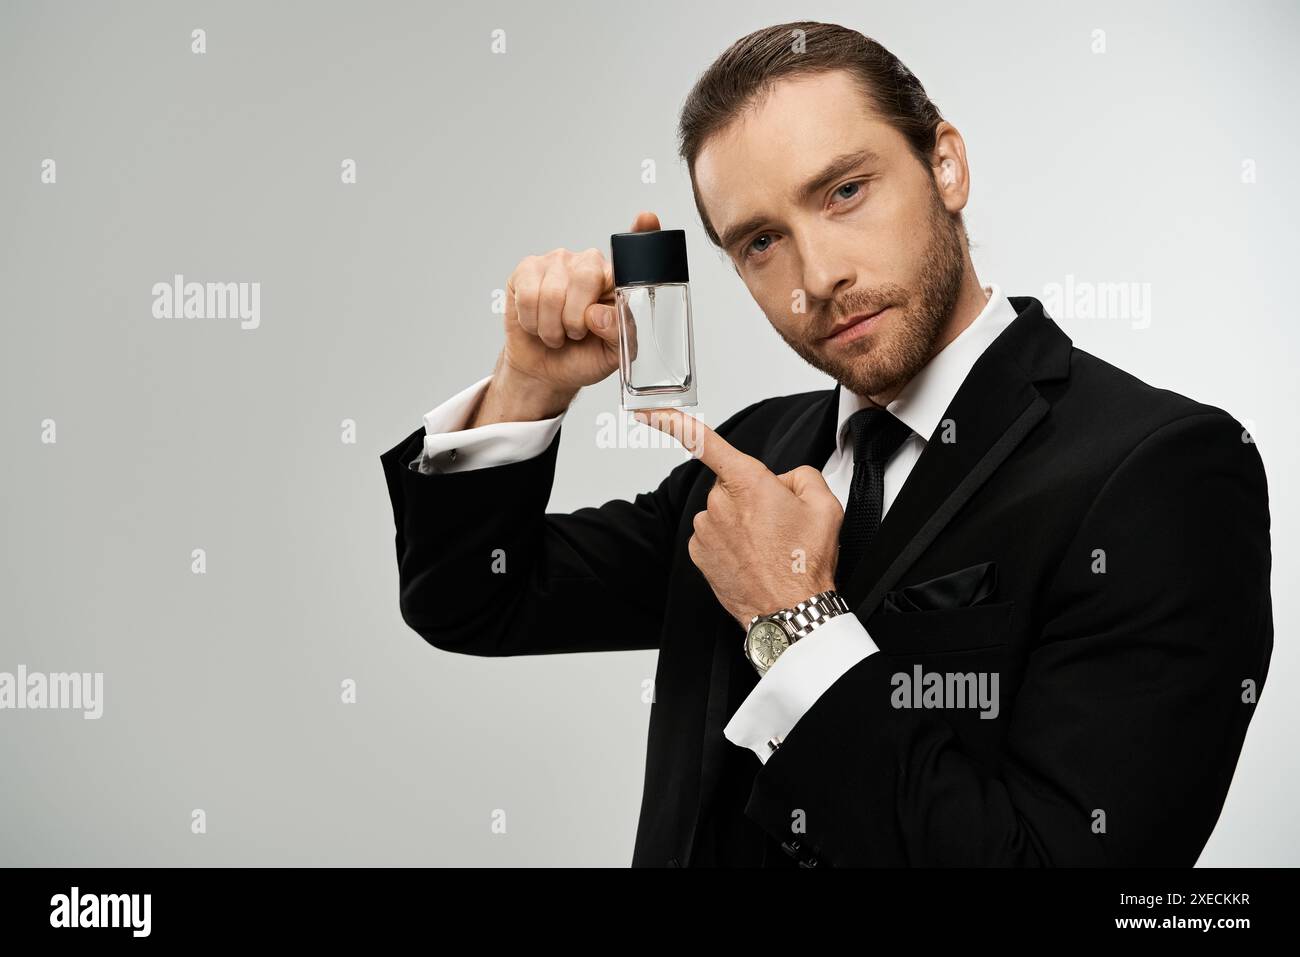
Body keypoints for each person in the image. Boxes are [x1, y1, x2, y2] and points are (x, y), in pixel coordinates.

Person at [379, 21, 1272, 867]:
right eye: (762, 240)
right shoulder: (750, 456)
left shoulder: (1165, 471)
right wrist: (528, 381)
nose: (817, 278)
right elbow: (473, 599)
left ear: (946, 164)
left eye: (845, 191)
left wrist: (795, 622)